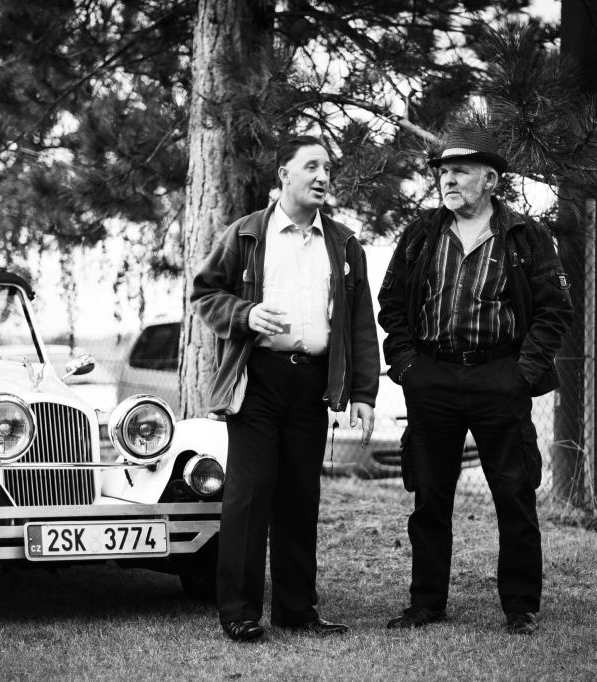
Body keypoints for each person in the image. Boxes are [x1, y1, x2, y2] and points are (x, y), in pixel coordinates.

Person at [377, 127, 573, 636]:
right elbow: (391, 304)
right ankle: (426, 603)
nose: (448, 179)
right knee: (430, 497)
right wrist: (408, 368)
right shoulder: (421, 234)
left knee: (514, 494)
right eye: (443, 172)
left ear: (490, 180)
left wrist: (522, 374)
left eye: (459, 171)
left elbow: (554, 311)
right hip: (433, 376)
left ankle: (520, 606)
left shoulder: (526, 236)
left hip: (499, 376)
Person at [191, 135, 380, 643]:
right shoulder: (247, 233)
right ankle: (239, 611)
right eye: (311, 166)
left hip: (312, 384)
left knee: (300, 498)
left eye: (327, 168)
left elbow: (360, 324)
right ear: (284, 175)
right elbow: (205, 293)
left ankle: (296, 609)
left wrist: (364, 393)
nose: (322, 177)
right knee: (249, 496)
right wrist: (245, 313)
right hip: (258, 379)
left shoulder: (344, 243)